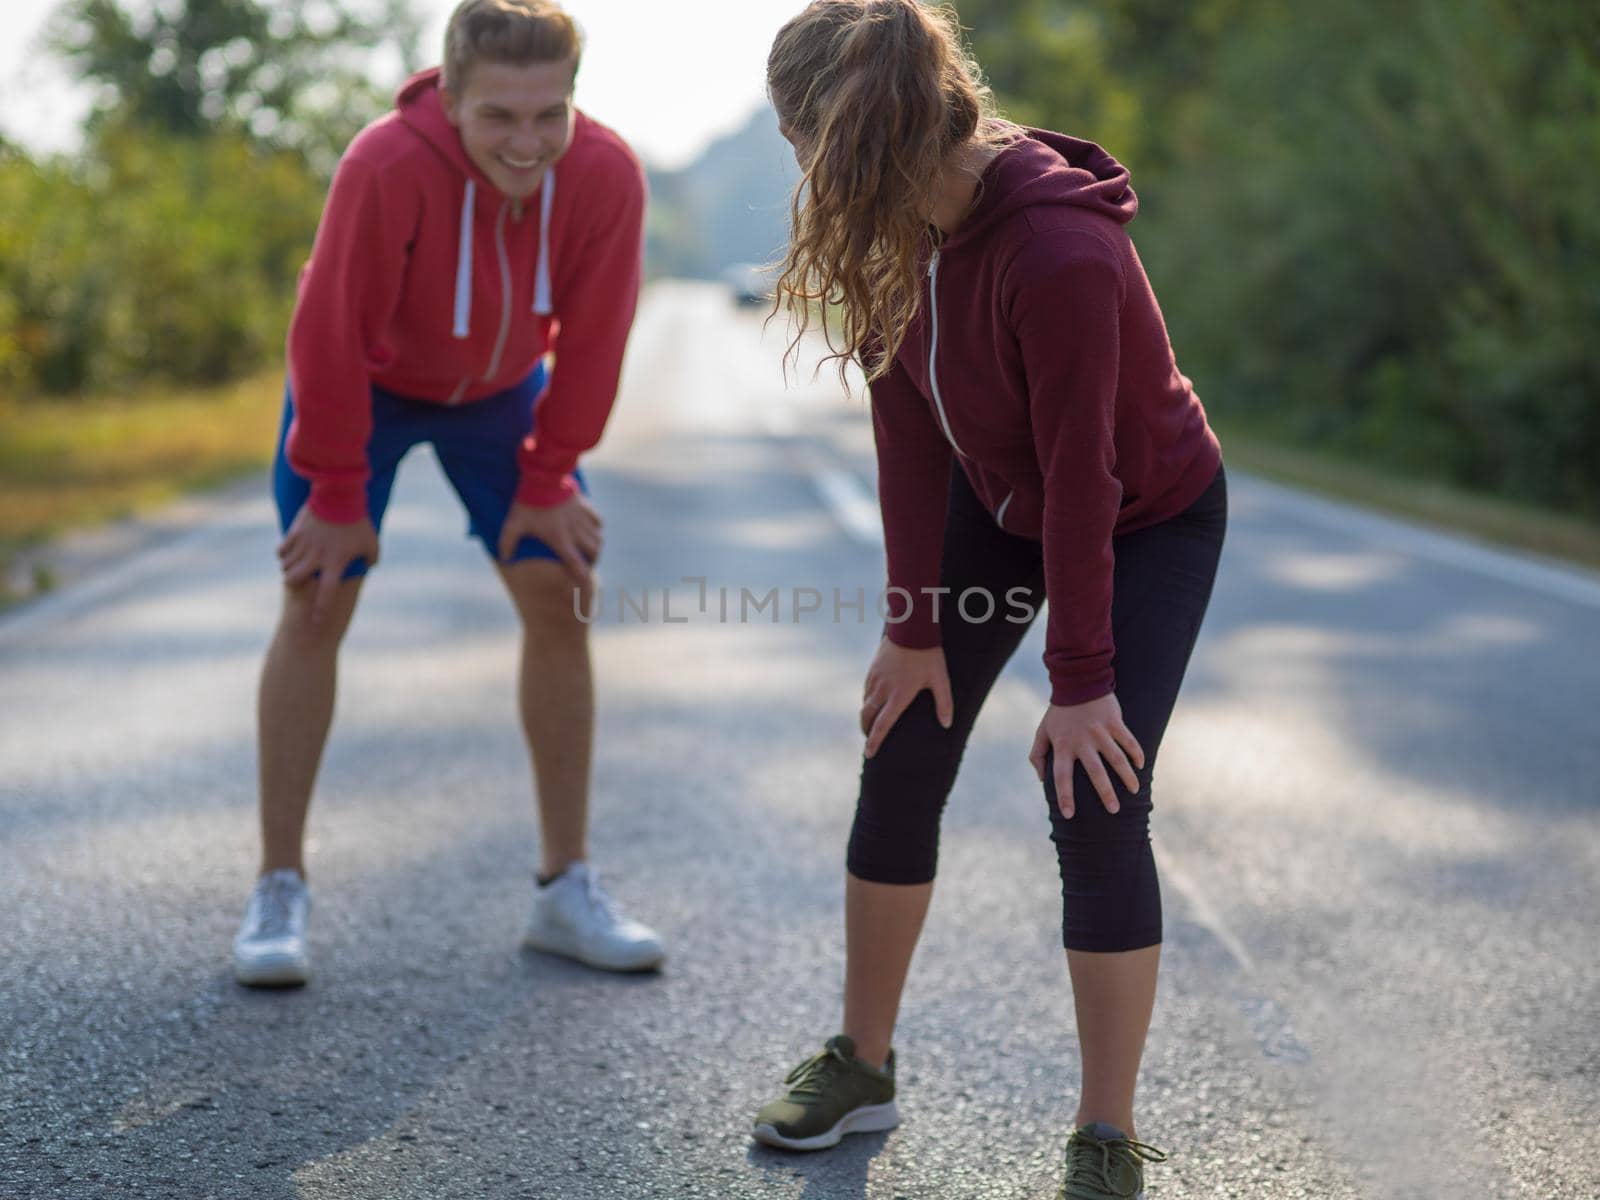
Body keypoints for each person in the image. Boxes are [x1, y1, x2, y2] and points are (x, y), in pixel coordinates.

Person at [752, 3, 1226, 1197]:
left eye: (802, 145)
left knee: (1096, 790)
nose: (803, 174)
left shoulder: (1060, 254)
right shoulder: (896, 230)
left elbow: (1088, 476)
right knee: (904, 740)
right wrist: (913, 631)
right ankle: (863, 1063)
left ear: (849, 137)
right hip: (1001, 507)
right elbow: (909, 430)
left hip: (1144, 519)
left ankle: (1104, 1138)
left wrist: (1080, 685)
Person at [231, 0, 663, 988]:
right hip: (363, 390)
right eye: (499, 117)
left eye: (547, 114)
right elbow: (327, 329)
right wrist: (336, 488)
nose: (527, 142)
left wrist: (548, 474)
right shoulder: (385, 163)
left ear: (573, 102)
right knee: (317, 595)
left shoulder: (604, 175)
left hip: (501, 397)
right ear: (451, 98)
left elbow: (597, 337)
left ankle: (565, 889)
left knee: (561, 590)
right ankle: (278, 888)